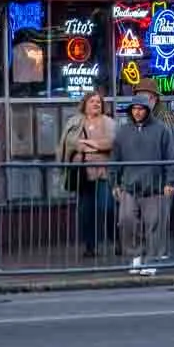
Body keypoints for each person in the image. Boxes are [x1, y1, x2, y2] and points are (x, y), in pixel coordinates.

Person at [112, 91, 174, 275]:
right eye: (134, 108)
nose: (137, 112)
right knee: (125, 220)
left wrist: (171, 181)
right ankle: (136, 256)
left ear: (148, 110)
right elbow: (115, 160)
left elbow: (172, 157)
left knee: (154, 224)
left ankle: (151, 260)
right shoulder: (122, 132)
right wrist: (115, 183)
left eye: (141, 109)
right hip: (129, 185)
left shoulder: (161, 130)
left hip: (155, 186)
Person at [62, 90, 118, 258]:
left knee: (107, 207)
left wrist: (91, 144)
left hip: (103, 173)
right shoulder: (75, 122)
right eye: (92, 101)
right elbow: (70, 142)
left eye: (98, 102)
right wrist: (89, 146)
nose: (96, 104)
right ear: (85, 105)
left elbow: (112, 142)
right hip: (82, 173)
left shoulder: (109, 122)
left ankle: (116, 239)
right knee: (86, 212)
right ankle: (90, 246)